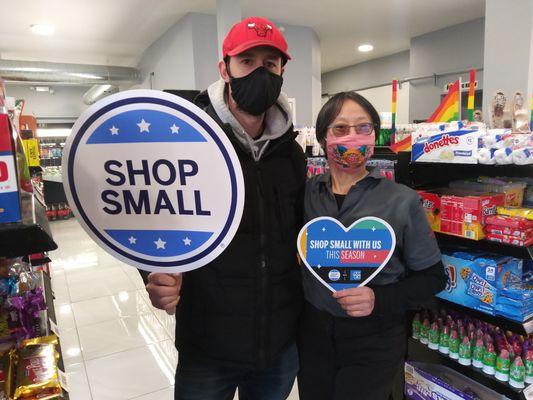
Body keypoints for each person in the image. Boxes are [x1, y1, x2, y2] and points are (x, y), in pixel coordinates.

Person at [143, 16, 306, 400]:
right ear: (225, 69)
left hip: (279, 345)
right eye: (247, 61)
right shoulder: (187, 142)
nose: (260, 72)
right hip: (207, 345)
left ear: (283, 70)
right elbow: (154, 215)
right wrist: (154, 272)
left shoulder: (292, 154)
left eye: (270, 63)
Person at [297, 91, 447, 400]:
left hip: (375, 340)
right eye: (340, 128)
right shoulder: (306, 193)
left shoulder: (401, 199)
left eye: (362, 127)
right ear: (323, 138)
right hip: (312, 337)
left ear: (374, 135)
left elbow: (434, 278)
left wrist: (377, 298)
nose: (352, 137)